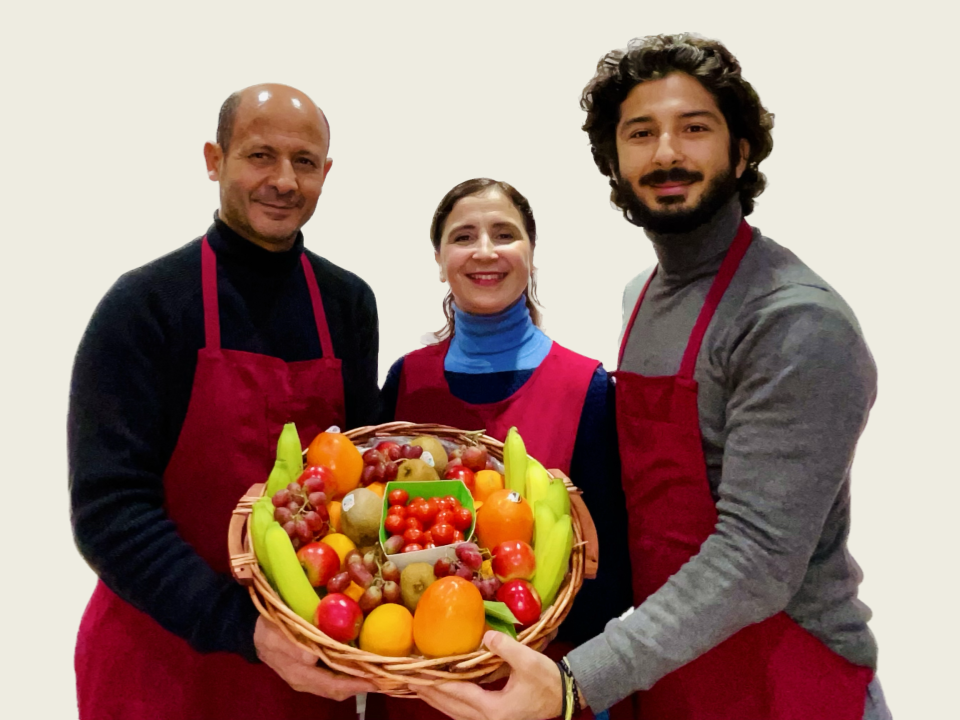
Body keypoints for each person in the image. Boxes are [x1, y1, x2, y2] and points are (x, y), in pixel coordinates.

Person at [414, 34, 893, 720]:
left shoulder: (793, 320)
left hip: (786, 677)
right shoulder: (640, 296)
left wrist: (578, 680)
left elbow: (756, 559)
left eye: (694, 128)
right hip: (676, 672)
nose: (666, 152)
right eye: (641, 133)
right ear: (615, 160)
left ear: (742, 150)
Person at [69, 84, 380, 719]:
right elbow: (109, 510)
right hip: (159, 661)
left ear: (327, 172)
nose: (284, 181)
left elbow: (356, 493)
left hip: (301, 668)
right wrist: (240, 627)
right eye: (260, 155)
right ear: (215, 159)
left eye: (305, 161)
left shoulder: (348, 305)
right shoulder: (145, 305)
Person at [368, 178, 634, 720]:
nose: (485, 250)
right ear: (440, 259)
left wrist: (515, 656)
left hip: (540, 687)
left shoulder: (585, 386)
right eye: (463, 236)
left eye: (504, 233)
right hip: (417, 688)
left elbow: (612, 572)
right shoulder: (404, 381)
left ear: (531, 255)